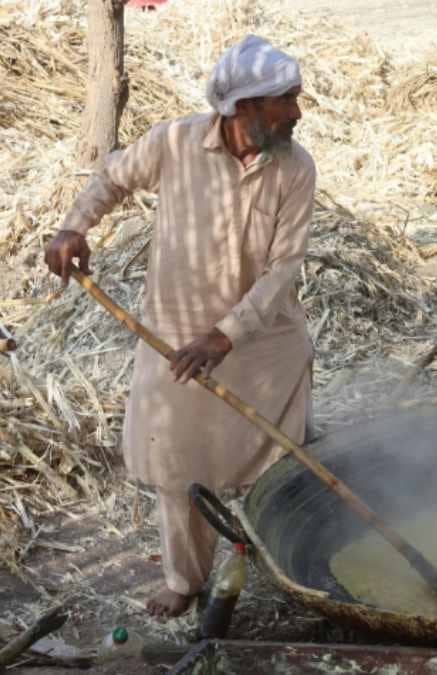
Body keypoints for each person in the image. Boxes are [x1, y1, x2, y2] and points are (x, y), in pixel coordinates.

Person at [43, 35, 316, 617]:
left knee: (284, 457)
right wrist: (73, 227)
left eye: (295, 98)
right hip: (176, 335)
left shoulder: (296, 168)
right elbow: (112, 178)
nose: (297, 111)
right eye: (286, 100)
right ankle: (185, 580)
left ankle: (291, 563)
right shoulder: (174, 142)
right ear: (244, 108)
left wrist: (227, 335)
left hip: (262, 341)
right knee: (179, 463)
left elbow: (284, 269)